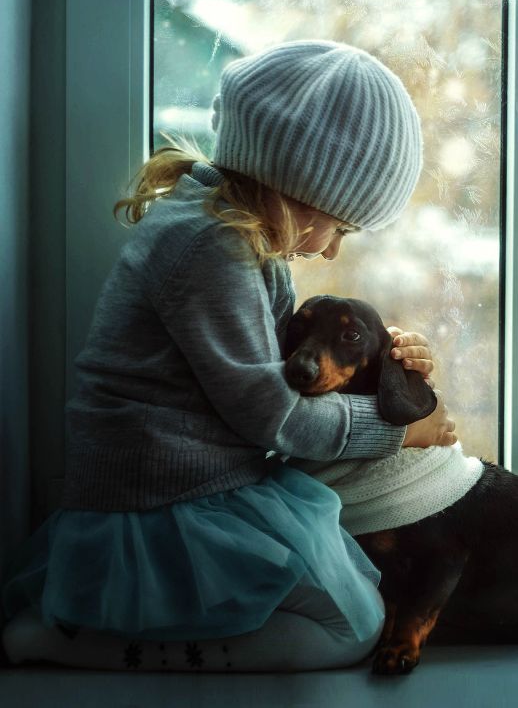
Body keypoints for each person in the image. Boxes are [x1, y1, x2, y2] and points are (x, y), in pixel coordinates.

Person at [0, 40, 457, 672]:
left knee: (353, 607)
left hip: (190, 484)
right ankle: (81, 646)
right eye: (340, 228)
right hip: (164, 503)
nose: (329, 252)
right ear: (300, 189)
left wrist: (383, 356)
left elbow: (281, 378)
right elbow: (275, 416)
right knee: (352, 625)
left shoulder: (227, 239)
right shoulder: (210, 249)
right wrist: (399, 430)